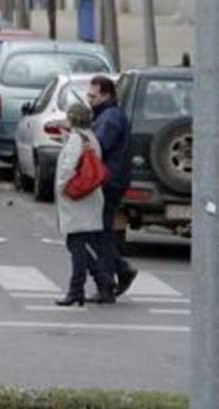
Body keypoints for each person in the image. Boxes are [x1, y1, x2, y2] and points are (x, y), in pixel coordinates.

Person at [54, 103, 115, 306]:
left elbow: (67, 168)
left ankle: (76, 289)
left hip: (76, 198)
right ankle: (104, 283)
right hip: (90, 197)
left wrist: (61, 188)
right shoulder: (90, 137)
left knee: (77, 245)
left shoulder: (75, 139)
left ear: (72, 119)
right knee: (81, 244)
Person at [88, 74, 139, 297]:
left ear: (106, 95)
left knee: (100, 232)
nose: (89, 100)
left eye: (93, 96)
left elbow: (98, 147)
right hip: (111, 178)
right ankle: (119, 270)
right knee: (102, 231)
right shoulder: (107, 114)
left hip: (108, 180)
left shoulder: (109, 118)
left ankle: (109, 280)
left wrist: (78, 137)